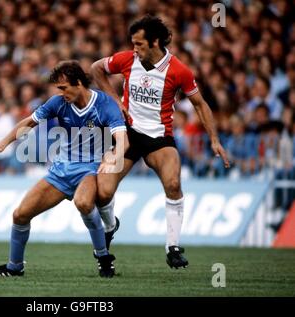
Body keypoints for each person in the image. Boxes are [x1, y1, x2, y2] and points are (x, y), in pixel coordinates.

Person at [90, 15, 230, 269]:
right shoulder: (127, 60)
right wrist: (114, 100)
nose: (134, 49)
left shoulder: (179, 70)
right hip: (128, 135)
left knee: (174, 183)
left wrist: (214, 139)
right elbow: (95, 68)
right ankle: (110, 226)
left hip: (159, 138)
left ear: (155, 42)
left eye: (139, 44)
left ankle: (173, 247)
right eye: (133, 43)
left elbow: (200, 104)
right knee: (103, 191)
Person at [0, 61, 128, 277]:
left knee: (83, 202)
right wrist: (4, 142)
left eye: (63, 88)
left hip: (89, 169)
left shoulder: (104, 104)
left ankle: (103, 257)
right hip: (60, 171)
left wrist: (113, 157)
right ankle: (15, 267)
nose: (61, 93)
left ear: (78, 83)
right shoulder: (58, 103)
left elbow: (123, 140)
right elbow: (29, 122)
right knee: (20, 215)